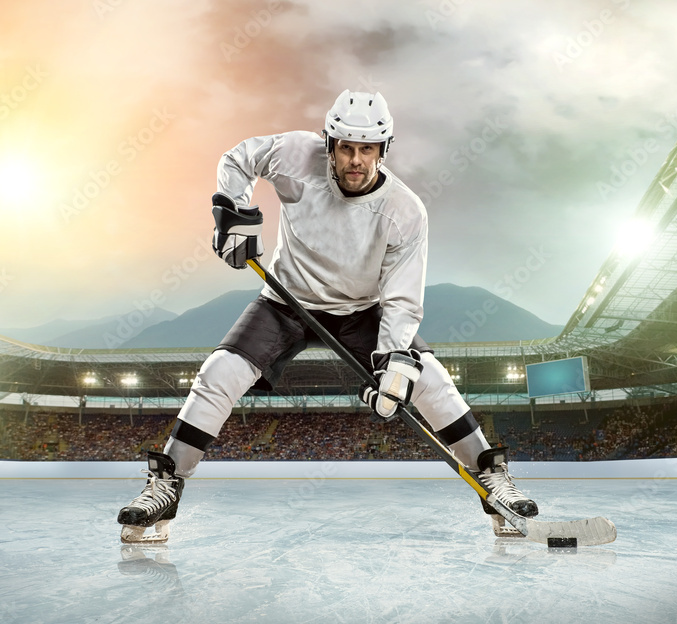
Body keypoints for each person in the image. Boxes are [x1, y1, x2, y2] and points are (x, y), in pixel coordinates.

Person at [117, 90, 539, 543]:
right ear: (329, 142)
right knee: (220, 371)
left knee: (429, 378)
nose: (356, 160)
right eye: (346, 147)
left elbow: (401, 299)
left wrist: (394, 368)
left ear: (383, 149)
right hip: (285, 301)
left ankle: (492, 481)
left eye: (368, 149)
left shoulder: (405, 211)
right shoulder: (296, 154)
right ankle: (166, 484)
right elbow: (238, 159)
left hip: (362, 311)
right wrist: (233, 210)